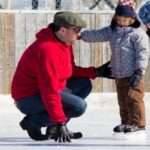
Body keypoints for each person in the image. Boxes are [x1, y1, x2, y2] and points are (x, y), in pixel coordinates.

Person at [11, 11, 112, 143]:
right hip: (29, 98)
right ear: (63, 30)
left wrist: (96, 72)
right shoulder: (47, 50)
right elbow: (49, 90)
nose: (79, 33)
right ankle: (34, 122)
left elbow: (69, 70)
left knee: (84, 84)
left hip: (46, 90)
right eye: (76, 30)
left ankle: (52, 127)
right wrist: (60, 121)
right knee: (78, 106)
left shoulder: (64, 43)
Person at [80, 0, 150, 133]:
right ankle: (126, 122)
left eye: (126, 19)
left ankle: (138, 124)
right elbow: (97, 34)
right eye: (120, 19)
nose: (122, 21)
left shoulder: (138, 34)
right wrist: (81, 35)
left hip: (133, 74)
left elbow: (143, 54)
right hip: (119, 74)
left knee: (134, 98)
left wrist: (139, 71)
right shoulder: (112, 31)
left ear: (132, 19)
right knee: (122, 100)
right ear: (116, 18)